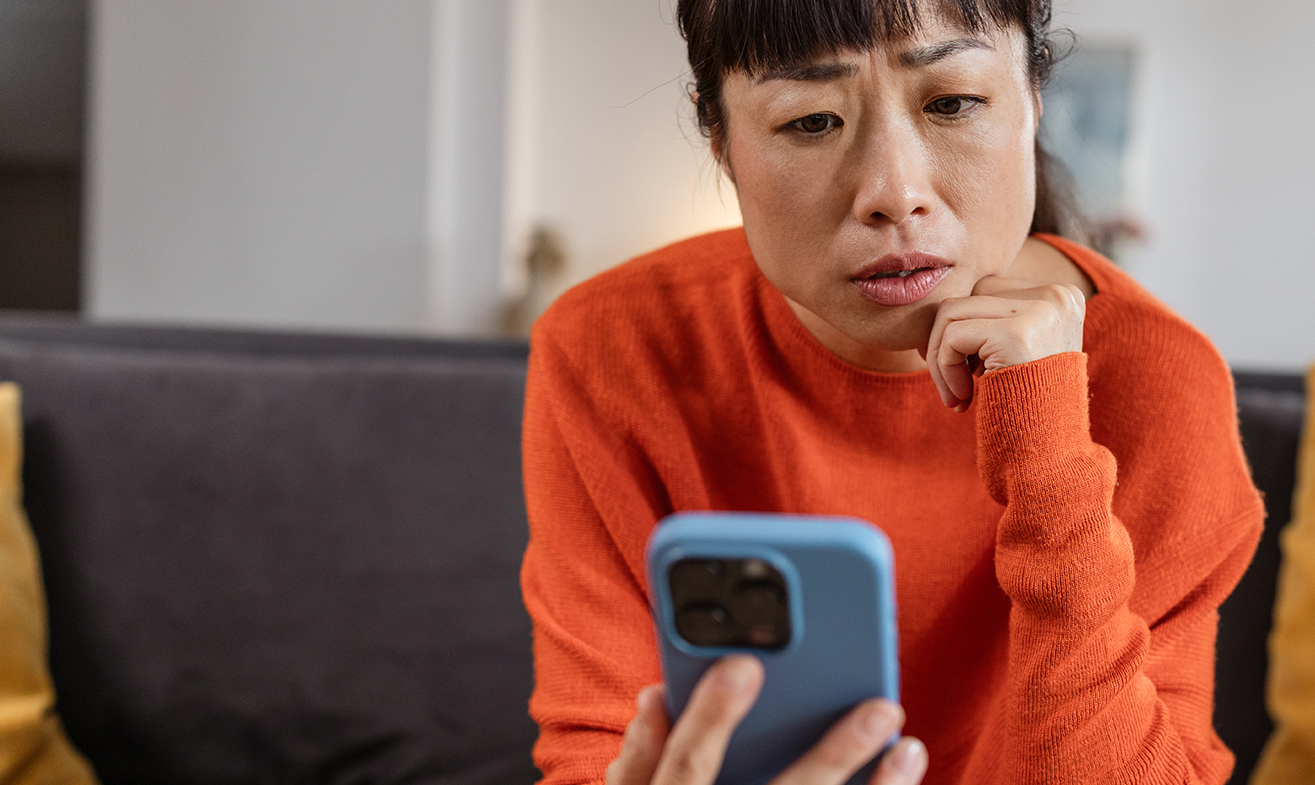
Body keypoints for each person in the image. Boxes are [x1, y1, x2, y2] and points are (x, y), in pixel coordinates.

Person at [519, 0, 1266, 782]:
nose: (893, 192)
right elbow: (596, 753)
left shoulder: (1157, 381)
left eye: (952, 103)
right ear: (722, 143)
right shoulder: (609, 349)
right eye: (810, 121)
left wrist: (1048, 452)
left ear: (1033, 100)